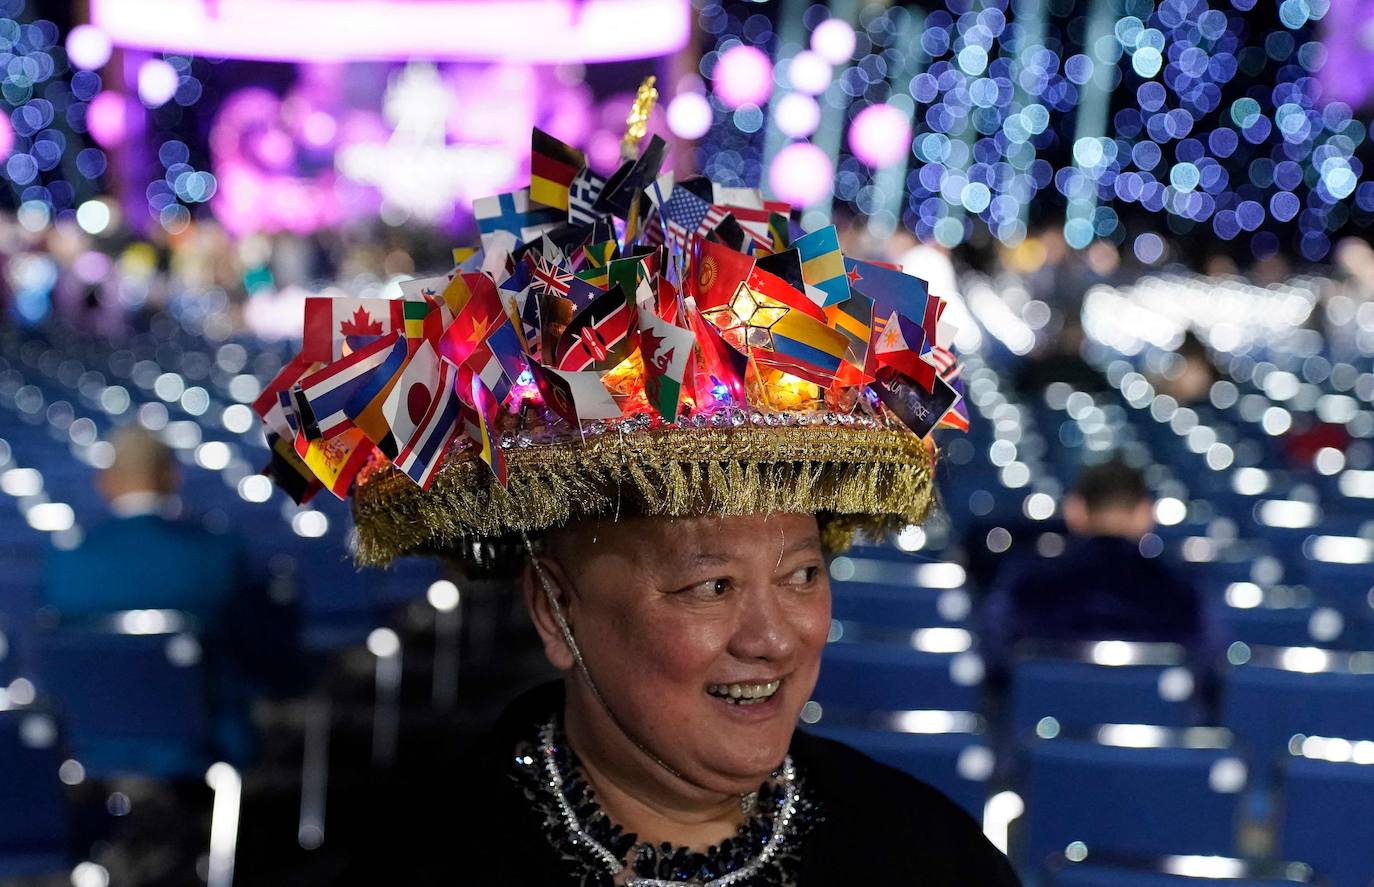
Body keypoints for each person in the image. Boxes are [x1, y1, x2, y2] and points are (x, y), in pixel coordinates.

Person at [277, 116, 1020, 882]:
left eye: (803, 574)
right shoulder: (425, 863)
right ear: (554, 610)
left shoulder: (929, 855)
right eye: (712, 585)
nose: (772, 637)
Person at [43, 426, 271, 765]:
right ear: (173, 477)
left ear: (104, 481)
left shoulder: (65, 565)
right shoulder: (215, 555)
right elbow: (253, 649)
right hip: (205, 742)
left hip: (88, 745)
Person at [980, 459, 1216, 677]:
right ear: (1145, 513)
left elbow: (994, 660)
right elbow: (1210, 668)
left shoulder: (1025, 586)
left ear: (1076, 510)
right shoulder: (1183, 593)